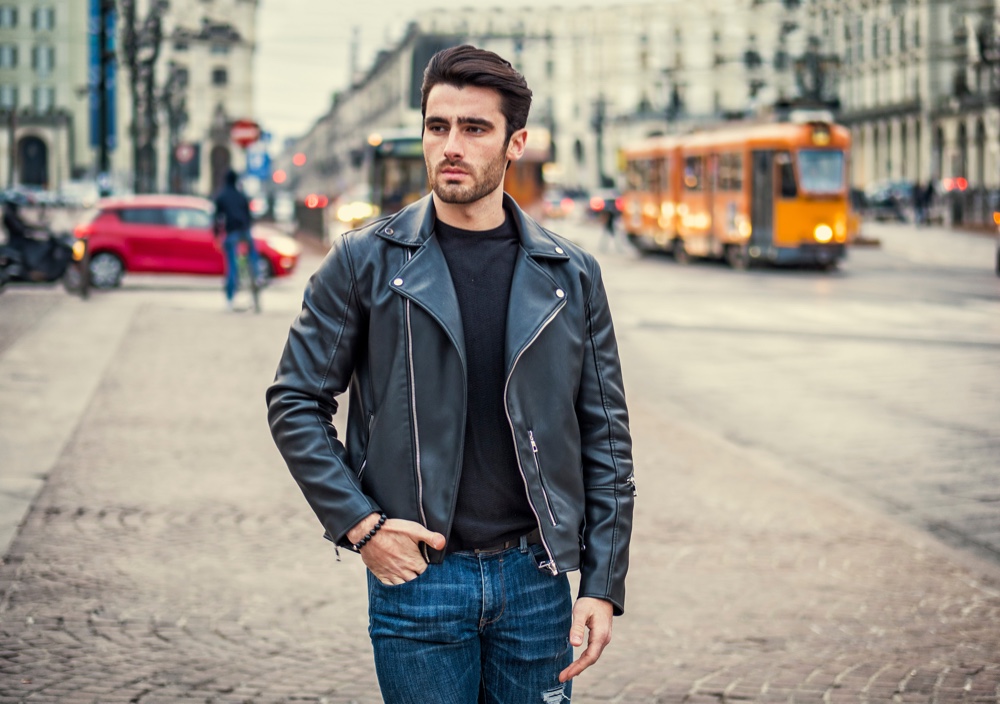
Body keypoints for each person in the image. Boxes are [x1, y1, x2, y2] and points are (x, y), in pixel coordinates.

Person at [266, 45, 635, 703]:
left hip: (536, 582)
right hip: (419, 577)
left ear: (515, 142)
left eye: (475, 128)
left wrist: (603, 582)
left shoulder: (570, 275)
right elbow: (296, 399)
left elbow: (605, 438)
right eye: (438, 127)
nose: (450, 146)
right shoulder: (365, 261)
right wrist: (362, 526)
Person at [212, 169, 260, 311]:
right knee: (253, 256)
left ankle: (230, 299)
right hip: (245, 231)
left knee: (231, 266)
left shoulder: (221, 196)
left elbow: (217, 218)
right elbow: (249, 216)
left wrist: (217, 235)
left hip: (232, 233)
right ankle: (257, 276)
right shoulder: (242, 196)